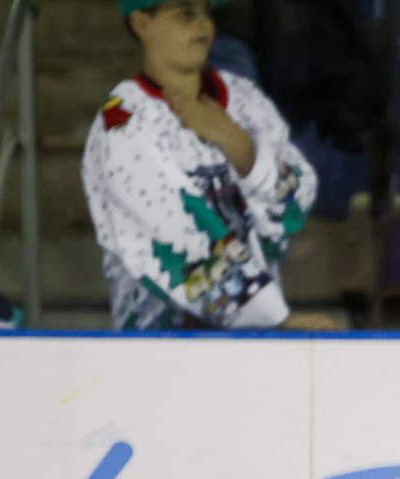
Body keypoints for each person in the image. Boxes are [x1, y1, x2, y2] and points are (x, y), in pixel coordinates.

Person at [81, 0, 318, 330]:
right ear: (142, 24)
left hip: (257, 343)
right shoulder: (122, 120)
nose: (204, 24)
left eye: (207, 11)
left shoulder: (245, 98)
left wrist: (237, 143)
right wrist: (274, 320)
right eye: (185, 13)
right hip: (160, 345)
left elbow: (297, 205)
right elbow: (177, 238)